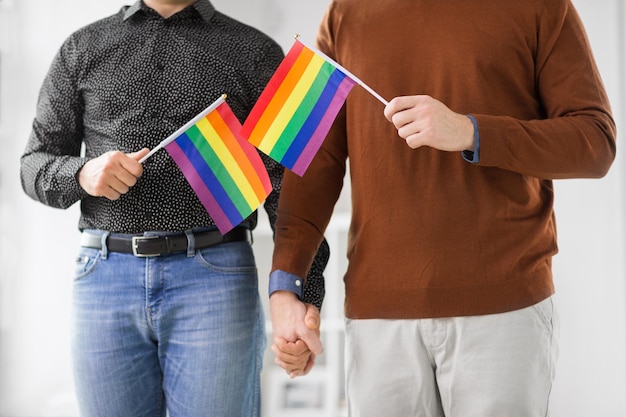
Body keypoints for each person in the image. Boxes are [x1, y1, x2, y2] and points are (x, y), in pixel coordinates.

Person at [268, 0, 616, 416]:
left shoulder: (541, 5)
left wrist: (471, 131)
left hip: (503, 308)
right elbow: (309, 165)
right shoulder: (344, 12)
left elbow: (595, 142)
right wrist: (285, 286)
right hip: (378, 315)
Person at [20, 1, 328, 416]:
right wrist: (82, 174)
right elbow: (33, 165)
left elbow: (292, 194)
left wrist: (296, 294)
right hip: (104, 280)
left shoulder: (255, 53)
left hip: (215, 278)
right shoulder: (82, 48)